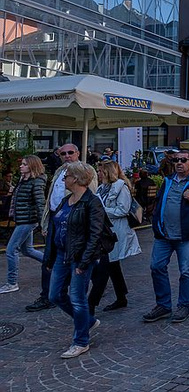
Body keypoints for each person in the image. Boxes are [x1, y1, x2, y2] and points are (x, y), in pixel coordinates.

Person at [144, 150, 189, 324]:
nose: (179, 163)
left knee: (186, 272)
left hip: (185, 235)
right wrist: (156, 222)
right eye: (176, 160)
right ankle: (163, 305)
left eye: (183, 160)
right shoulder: (168, 180)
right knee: (156, 267)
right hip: (163, 235)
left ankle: (184, 305)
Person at [44, 162, 106, 359]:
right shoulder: (65, 200)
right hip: (62, 254)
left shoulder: (92, 202)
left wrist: (84, 263)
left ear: (77, 179)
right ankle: (86, 321)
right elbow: (55, 229)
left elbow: (94, 236)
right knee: (54, 295)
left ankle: (81, 341)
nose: (64, 180)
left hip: (80, 256)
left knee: (78, 299)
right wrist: (49, 257)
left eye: (67, 176)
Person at [27, 144, 97, 313]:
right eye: (63, 153)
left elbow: (91, 196)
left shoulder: (86, 170)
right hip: (55, 219)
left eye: (70, 153)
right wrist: (45, 222)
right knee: (49, 259)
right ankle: (49, 295)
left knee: (75, 261)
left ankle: (78, 299)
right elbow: (51, 196)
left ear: (78, 153)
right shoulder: (59, 172)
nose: (67, 156)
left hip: (73, 222)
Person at [88, 161, 141, 314]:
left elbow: (123, 209)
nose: (98, 173)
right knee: (112, 265)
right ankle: (121, 296)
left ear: (107, 172)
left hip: (116, 231)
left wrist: (103, 211)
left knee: (106, 266)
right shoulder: (102, 187)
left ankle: (91, 303)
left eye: (100, 171)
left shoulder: (120, 187)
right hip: (106, 230)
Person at [0, 155, 47, 294]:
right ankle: (55, 266)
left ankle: (12, 282)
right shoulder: (23, 180)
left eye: (24, 164)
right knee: (27, 250)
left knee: (11, 250)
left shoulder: (36, 182)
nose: (21, 166)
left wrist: (43, 224)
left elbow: (40, 203)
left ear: (32, 166)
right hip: (22, 219)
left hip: (28, 220)